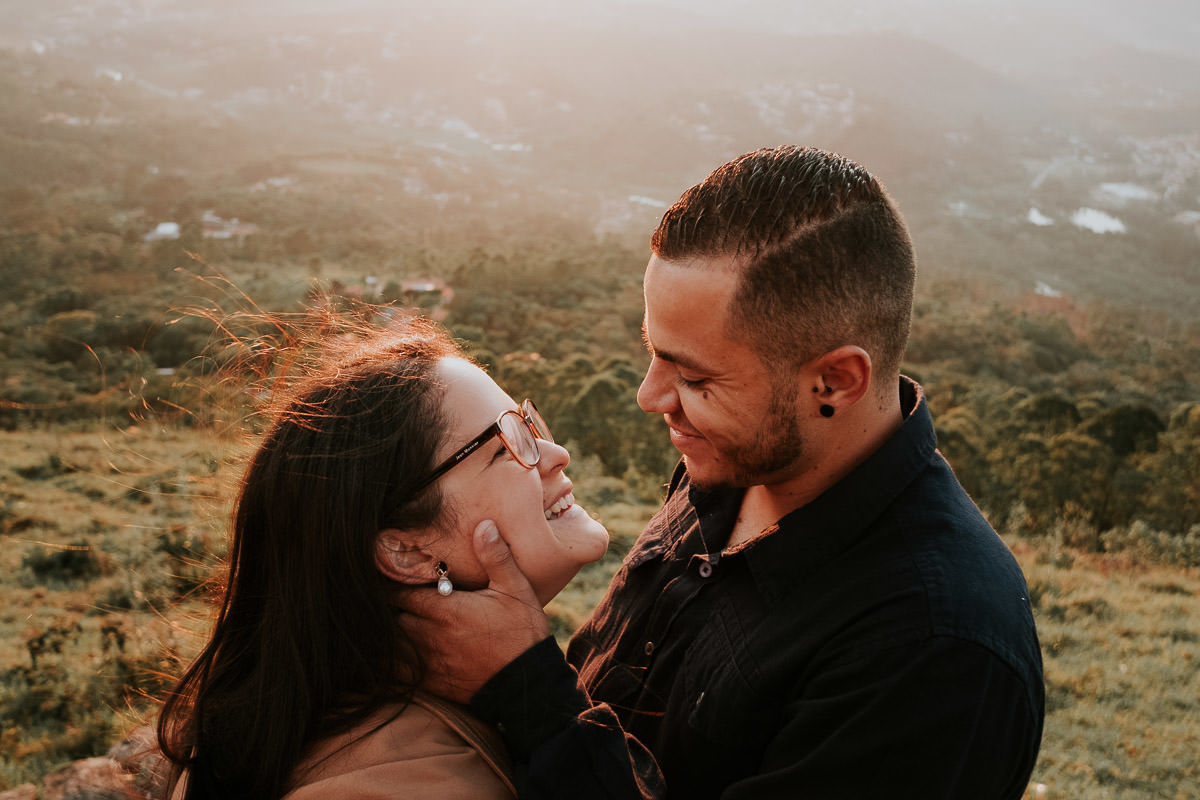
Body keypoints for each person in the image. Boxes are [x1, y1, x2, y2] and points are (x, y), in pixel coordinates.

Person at [400, 146, 1045, 799]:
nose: (649, 396)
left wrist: (525, 689)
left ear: (835, 381)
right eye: (654, 353)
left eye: (694, 376)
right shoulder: (736, 461)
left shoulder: (937, 655)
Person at [155, 320, 640, 799]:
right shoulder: (416, 781)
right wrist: (536, 695)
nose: (557, 454)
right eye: (506, 445)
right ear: (408, 551)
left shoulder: (339, 715)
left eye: (529, 424)